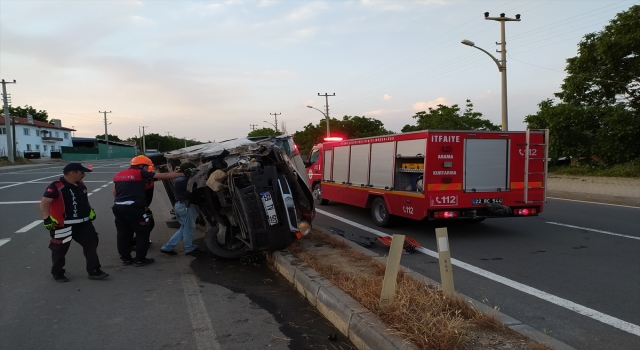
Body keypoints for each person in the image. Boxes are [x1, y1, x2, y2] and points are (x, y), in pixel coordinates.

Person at [39, 163, 108, 282]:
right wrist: (46, 218)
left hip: (83, 224)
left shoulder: (81, 185)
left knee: (91, 245)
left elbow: (85, 200)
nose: (84, 175)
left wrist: (90, 210)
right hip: (63, 225)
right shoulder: (56, 186)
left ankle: (94, 271)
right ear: (72, 173)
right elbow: (44, 203)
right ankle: (58, 273)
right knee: (59, 250)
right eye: (82, 173)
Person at [112, 156, 185, 267]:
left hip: (118, 207)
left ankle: (125, 259)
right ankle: (140, 259)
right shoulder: (140, 173)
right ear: (142, 166)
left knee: (123, 233)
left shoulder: (118, 175)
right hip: (134, 208)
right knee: (143, 232)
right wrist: (184, 174)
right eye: (147, 166)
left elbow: (115, 192)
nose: (147, 169)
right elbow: (165, 176)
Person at [160, 162, 204, 256]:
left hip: (180, 206)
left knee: (183, 228)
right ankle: (189, 249)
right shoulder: (186, 180)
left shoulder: (179, 179)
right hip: (186, 207)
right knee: (189, 228)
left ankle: (167, 247)